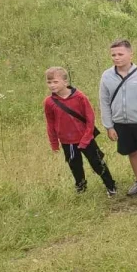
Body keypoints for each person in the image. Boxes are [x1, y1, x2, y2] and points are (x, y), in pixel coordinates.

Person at [99, 39, 137, 198]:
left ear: (130, 54)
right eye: (113, 54)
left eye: (120, 54)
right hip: (121, 123)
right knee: (132, 152)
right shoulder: (107, 76)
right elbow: (104, 102)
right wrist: (109, 126)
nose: (116, 57)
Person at [44, 67, 116, 195]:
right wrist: (54, 143)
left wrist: (87, 137)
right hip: (67, 141)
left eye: (55, 82)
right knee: (75, 166)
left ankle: (110, 186)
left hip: (86, 138)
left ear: (65, 82)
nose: (52, 85)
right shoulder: (49, 102)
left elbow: (90, 118)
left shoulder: (80, 97)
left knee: (97, 163)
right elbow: (50, 124)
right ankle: (81, 188)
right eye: (49, 82)